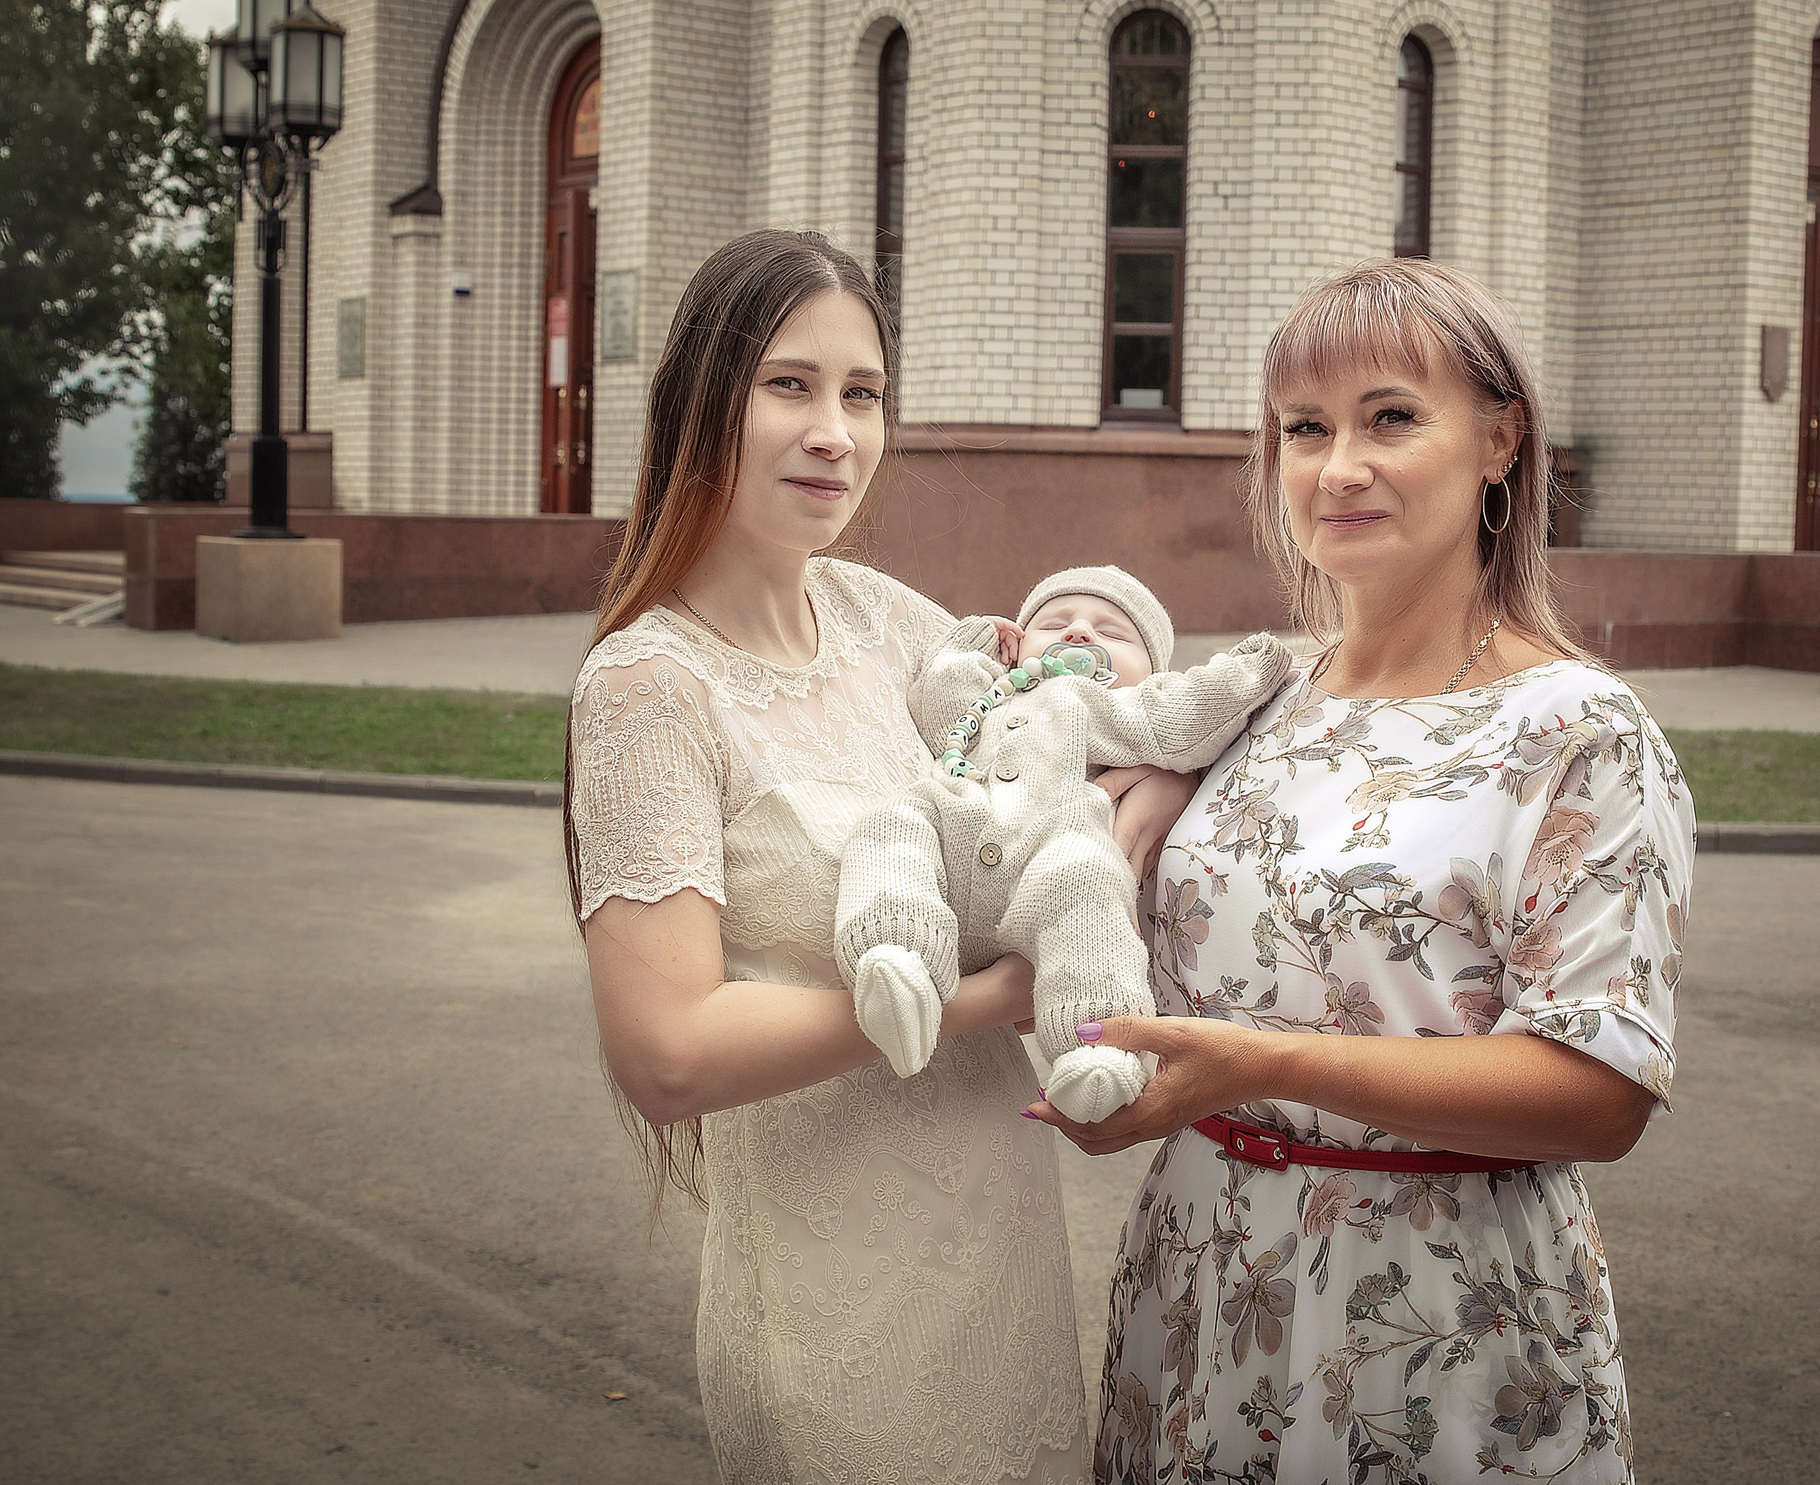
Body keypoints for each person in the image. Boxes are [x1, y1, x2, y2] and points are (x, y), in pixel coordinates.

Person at [1036, 258, 1696, 1484]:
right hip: (1202, 1281)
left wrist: (1254, 1064)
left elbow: (1599, 1091)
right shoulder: (1257, 700)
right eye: (1304, 428)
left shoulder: (1579, 731)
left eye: (1390, 417)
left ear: (1499, 439)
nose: (1338, 466)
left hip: (1432, 1313)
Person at [565, 230, 1193, 1483]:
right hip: (832, 1294)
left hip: (997, 1238)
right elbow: (667, 1053)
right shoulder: (647, 686)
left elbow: (1091, 731)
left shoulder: (891, 621)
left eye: (862, 394)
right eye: (789, 385)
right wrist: (992, 998)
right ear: (700, 400)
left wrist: (1147, 795)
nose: (834, 433)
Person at [833, 565, 1293, 1120]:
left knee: (1087, 882)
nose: (1079, 632)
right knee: (893, 821)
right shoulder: (989, 698)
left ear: (1149, 675)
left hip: (1052, 843)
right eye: (1053, 623)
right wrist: (975, 642)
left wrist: (1255, 665)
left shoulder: (1117, 708)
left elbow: (1187, 714)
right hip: (956, 820)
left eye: (1113, 632)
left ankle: (1097, 1044)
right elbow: (937, 697)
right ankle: (897, 953)